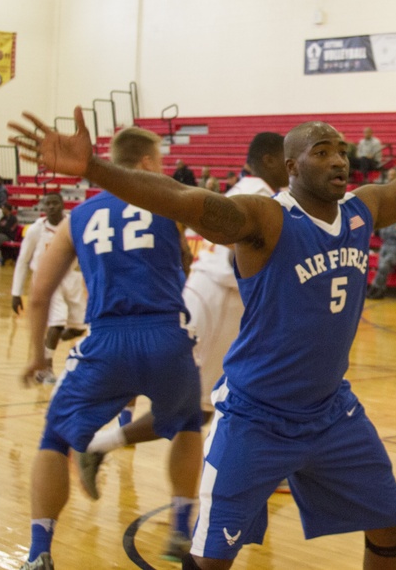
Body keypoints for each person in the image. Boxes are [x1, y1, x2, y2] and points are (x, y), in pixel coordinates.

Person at [10, 81, 396, 569]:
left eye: (341, 150)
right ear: (292, 167)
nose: (339, 159)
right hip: (257, 418)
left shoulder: (362, 211)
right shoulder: (266, 218)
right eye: (323, 152)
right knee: (211, 560)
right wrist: (95, 171)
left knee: (391, 528)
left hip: (331, 413)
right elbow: (185, 200)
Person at [13, 127, 204, 570]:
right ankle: (179, 528)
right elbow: (185, 258)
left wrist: (37, 355)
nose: (162, 169)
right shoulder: (169, 200)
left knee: (54, 438)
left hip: (106, 340)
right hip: (166, 335)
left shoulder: (77, 218)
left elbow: (40, 295)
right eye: (157, 161)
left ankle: (39, 552)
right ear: (144, 164)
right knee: (189, 423)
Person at [78, 132, 290, 479]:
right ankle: (99, 435)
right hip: (217, 301)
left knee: (207, 407)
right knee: (189, 406)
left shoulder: (252, 192)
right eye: (286, 159)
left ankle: (256, 468)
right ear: (269, 160)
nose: (292, 166)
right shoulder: (256, 195)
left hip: (221, 302)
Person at [11, 193, 88, 384]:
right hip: (45, 279)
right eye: (48, 204)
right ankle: (45, 369)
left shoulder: (73, 224)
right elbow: (22, 261)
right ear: (43, 207)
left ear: (62, 205)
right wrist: (16, 293)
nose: (52, 207)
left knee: (79, 328)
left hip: (71, 278)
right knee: (57, 323)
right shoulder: (36, 230)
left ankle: (47, 345)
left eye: (55, 203)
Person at [367, 217, 396, 299]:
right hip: (385, 248)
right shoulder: (386, 220)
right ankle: (380, 289)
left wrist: (387, 232)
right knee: (381, 267)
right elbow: (381, 234)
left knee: (384, 266)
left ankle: (375, 288)